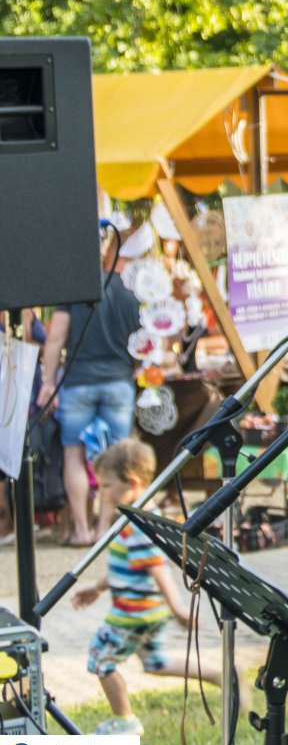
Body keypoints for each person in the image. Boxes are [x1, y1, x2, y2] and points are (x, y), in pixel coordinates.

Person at [70, 438, 213, 735]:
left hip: (134, 613)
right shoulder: (136, 517)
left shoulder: (139, 524)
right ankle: (220, 675)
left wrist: (178, 608)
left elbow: (157, 568)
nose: (101, 493)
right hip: (148, 611)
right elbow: (129, 566)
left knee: (100, 659)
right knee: (156, 664)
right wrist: (98, 587)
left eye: (106, 485)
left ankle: (125, 721)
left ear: (132, 483)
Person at [38, 222, 148, 546]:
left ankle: (82, 530)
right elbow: (142, 344)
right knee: (117, 457)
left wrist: (48, 383)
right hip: (118, 382)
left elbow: (55, 339)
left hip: (78, 383)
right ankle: (104, 529)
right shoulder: (129, 291)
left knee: (73, 454)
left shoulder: (72, 290)